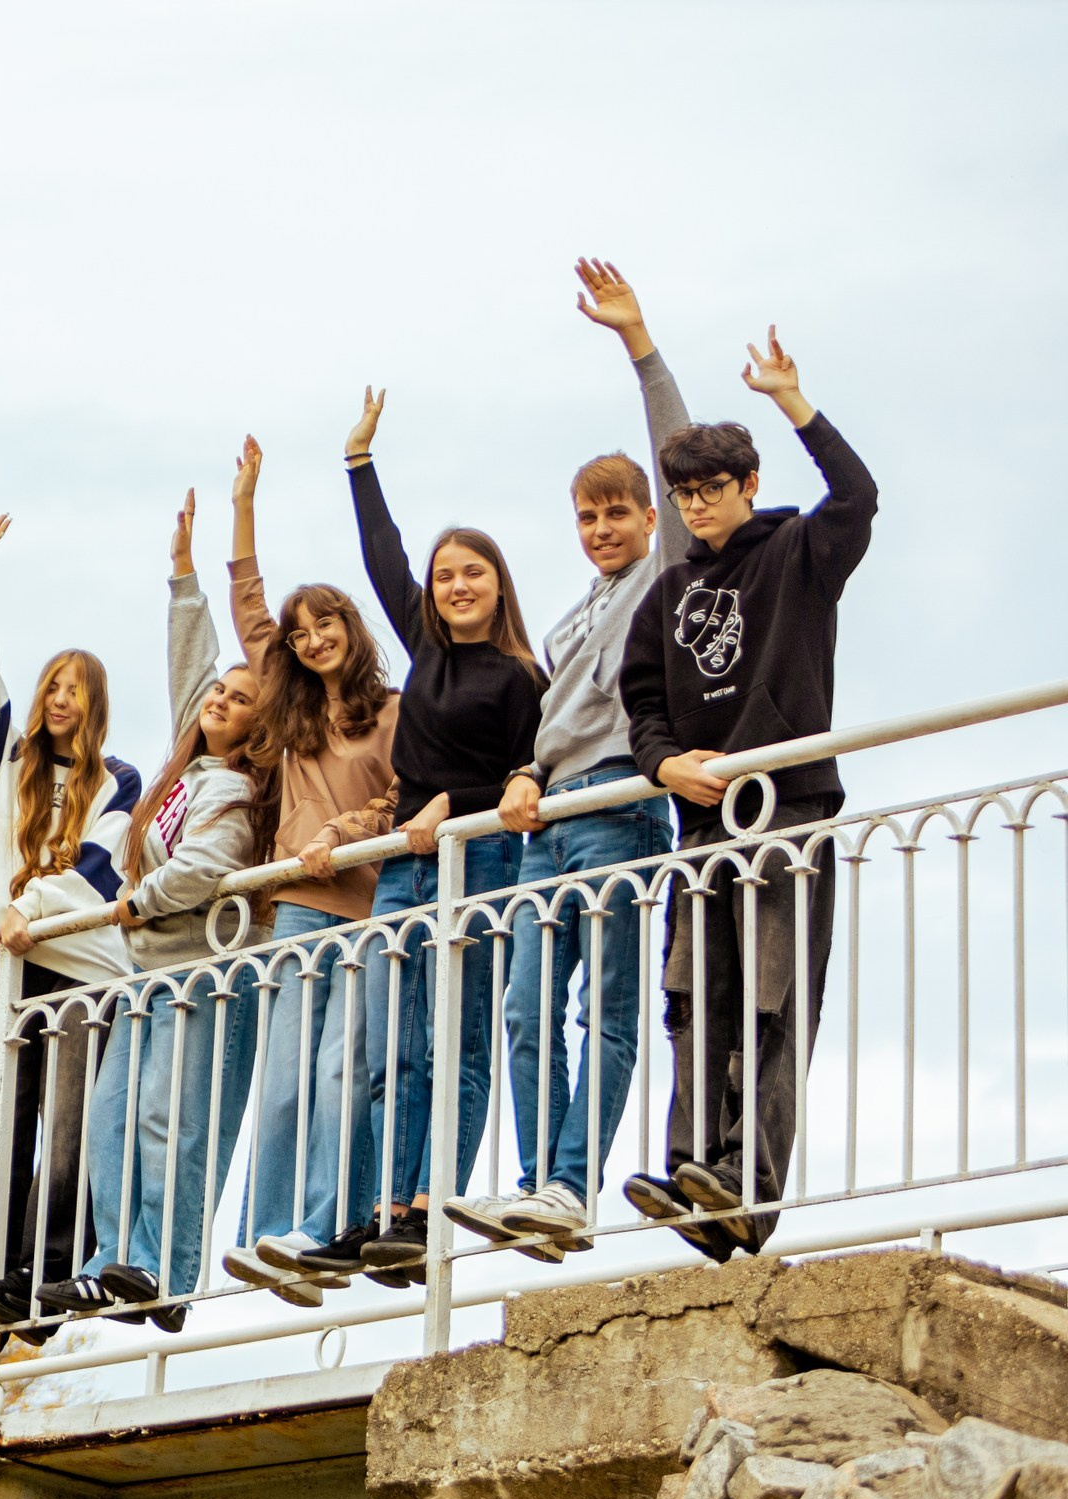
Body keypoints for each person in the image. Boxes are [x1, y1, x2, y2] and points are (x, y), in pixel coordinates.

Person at [447, 259, 692, 1259]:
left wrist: (639, 346)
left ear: (646, 517)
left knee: (608, 1008)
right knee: (521, 1005)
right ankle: (538, 1186)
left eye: (616, 514)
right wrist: (528, 775)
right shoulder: (568, 614)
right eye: (587, 517)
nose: (600, 531)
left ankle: (568, 1185)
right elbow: (550, 720)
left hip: (622, 807)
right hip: (552, 819)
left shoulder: (660, 578)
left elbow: (674, 450)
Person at [617, 325, 875, 1259]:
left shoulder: (801, 551)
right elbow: (639, 697)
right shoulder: (668, 590)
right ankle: (696, 1174)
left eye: (711, 489)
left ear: (748, 486)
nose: (696, 506)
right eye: (683, 493)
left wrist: (791, 402)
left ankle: (749, 1186)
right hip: (702, 823)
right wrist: (661, 765)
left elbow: (860, 497)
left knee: (773, 1002)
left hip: (789, 810)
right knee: (694, 997)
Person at [289, 386, 545, 1284]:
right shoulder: (427, 652)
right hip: (405, 871)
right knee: (394, 1045)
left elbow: (531, 770)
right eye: (444, 576)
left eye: (472, 571)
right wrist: (359, 461)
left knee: (458, 1037)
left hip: (477, 858)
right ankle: (387, 1207)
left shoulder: (521, 673)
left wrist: (451, 803)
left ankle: (434, 1196)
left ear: (498, 583)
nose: (455, 584)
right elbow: (382, 554)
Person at [43, 490, 269, 1329]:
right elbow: (191, 665)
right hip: (143, 972)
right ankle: (111, 1260)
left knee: (173, 1121)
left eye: (241, 699)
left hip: (199, 971)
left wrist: (137, 898)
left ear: (260, 725)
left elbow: (206, 868)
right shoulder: (181, 775)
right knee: (116, 1117)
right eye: (218, 692)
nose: (220, 699)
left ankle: (169, 1271)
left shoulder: (240, 791)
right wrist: (182, 575)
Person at [212, 440, 401, 1305]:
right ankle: (268, 1227)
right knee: (284, 1075)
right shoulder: (289, 707)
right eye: (301, 630)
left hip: (363, 907)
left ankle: (325, 1225)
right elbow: (248, 605)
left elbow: (403, 796)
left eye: (327, 623)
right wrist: (244, 500)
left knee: (340, 1071)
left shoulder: (390, 711)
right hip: (295, 904)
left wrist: (345, 828)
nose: (312, 637)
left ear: (351, 630)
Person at [0, 514, 141, 1338]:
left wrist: (31, 909)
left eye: (76, 690)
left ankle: (48, 1278)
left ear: (94, 706)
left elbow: (99, 867)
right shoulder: (12, 768)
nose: (60, 700)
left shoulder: (118, 779)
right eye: (52, 685)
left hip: (81, 968)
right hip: (12, 968)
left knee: (63, 1137)